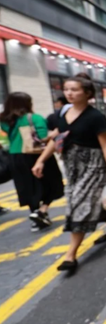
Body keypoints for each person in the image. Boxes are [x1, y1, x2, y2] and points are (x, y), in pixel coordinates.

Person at [32, 74, 106, 272]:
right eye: (67, 90)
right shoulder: (63, 116)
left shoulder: (95, 117)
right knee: (90, 201)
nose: (69, 93)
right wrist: (40, 160)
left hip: (93, 167)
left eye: (75, 90)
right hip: (72, 168)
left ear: (87, 93)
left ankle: (70, 255)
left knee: (79, 205)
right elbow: (57, 141)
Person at [0, 92, 64, 232]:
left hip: (15, 157)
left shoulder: (4, 121)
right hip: (36, 156)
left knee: (28, 187)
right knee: (53, 183)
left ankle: (36, 217)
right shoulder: (35, 118)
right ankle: (42, 209)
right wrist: (53, 134)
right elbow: (42, 137)